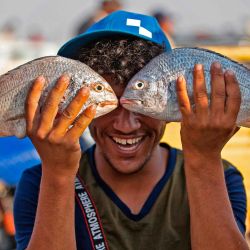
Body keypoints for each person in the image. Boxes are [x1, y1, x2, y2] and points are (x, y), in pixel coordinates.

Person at [14, 10, 249, 250]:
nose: (126, 125)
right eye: (108, 104)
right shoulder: (40, 182)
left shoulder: (222, 177)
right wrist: (57, 175)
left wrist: (204, 161)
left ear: (177, 104)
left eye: (143, 104)